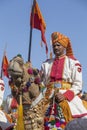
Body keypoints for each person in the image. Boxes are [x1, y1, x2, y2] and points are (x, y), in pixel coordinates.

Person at [41, 32, 87, 130]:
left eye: (58, 45)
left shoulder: (73, 62)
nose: (56, 48)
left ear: (64, 47)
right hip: (48, 97)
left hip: (67, 97)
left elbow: (78, 85)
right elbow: (42, 84)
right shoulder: (46, 64)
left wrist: (65, 95)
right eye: (54, 46)